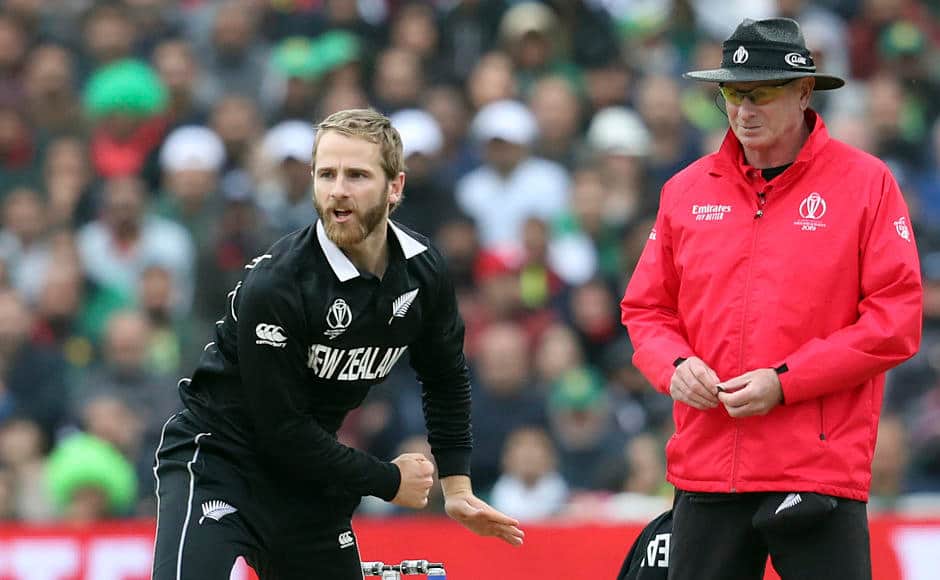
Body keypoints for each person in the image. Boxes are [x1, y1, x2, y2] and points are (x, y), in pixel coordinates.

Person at [151, 108, 524, 580]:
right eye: (326, 174)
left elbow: (445, 378)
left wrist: (457, 487)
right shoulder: (278, 283)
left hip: (310, 475)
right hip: (219, 461)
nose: (338, 190)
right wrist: (389, 481)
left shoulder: (424, 270)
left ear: (396, 187)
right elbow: (280, 429)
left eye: (357, 175)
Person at [620, 18, 922, 580]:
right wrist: (675, 366)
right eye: (733, 94)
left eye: (761, 93)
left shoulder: (867, 184)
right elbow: (646, 310)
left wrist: (784, 381)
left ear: (804, 92)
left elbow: (895, 321)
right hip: (707, 465)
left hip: (815, 472)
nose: (743, 110)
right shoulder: (684, 190)